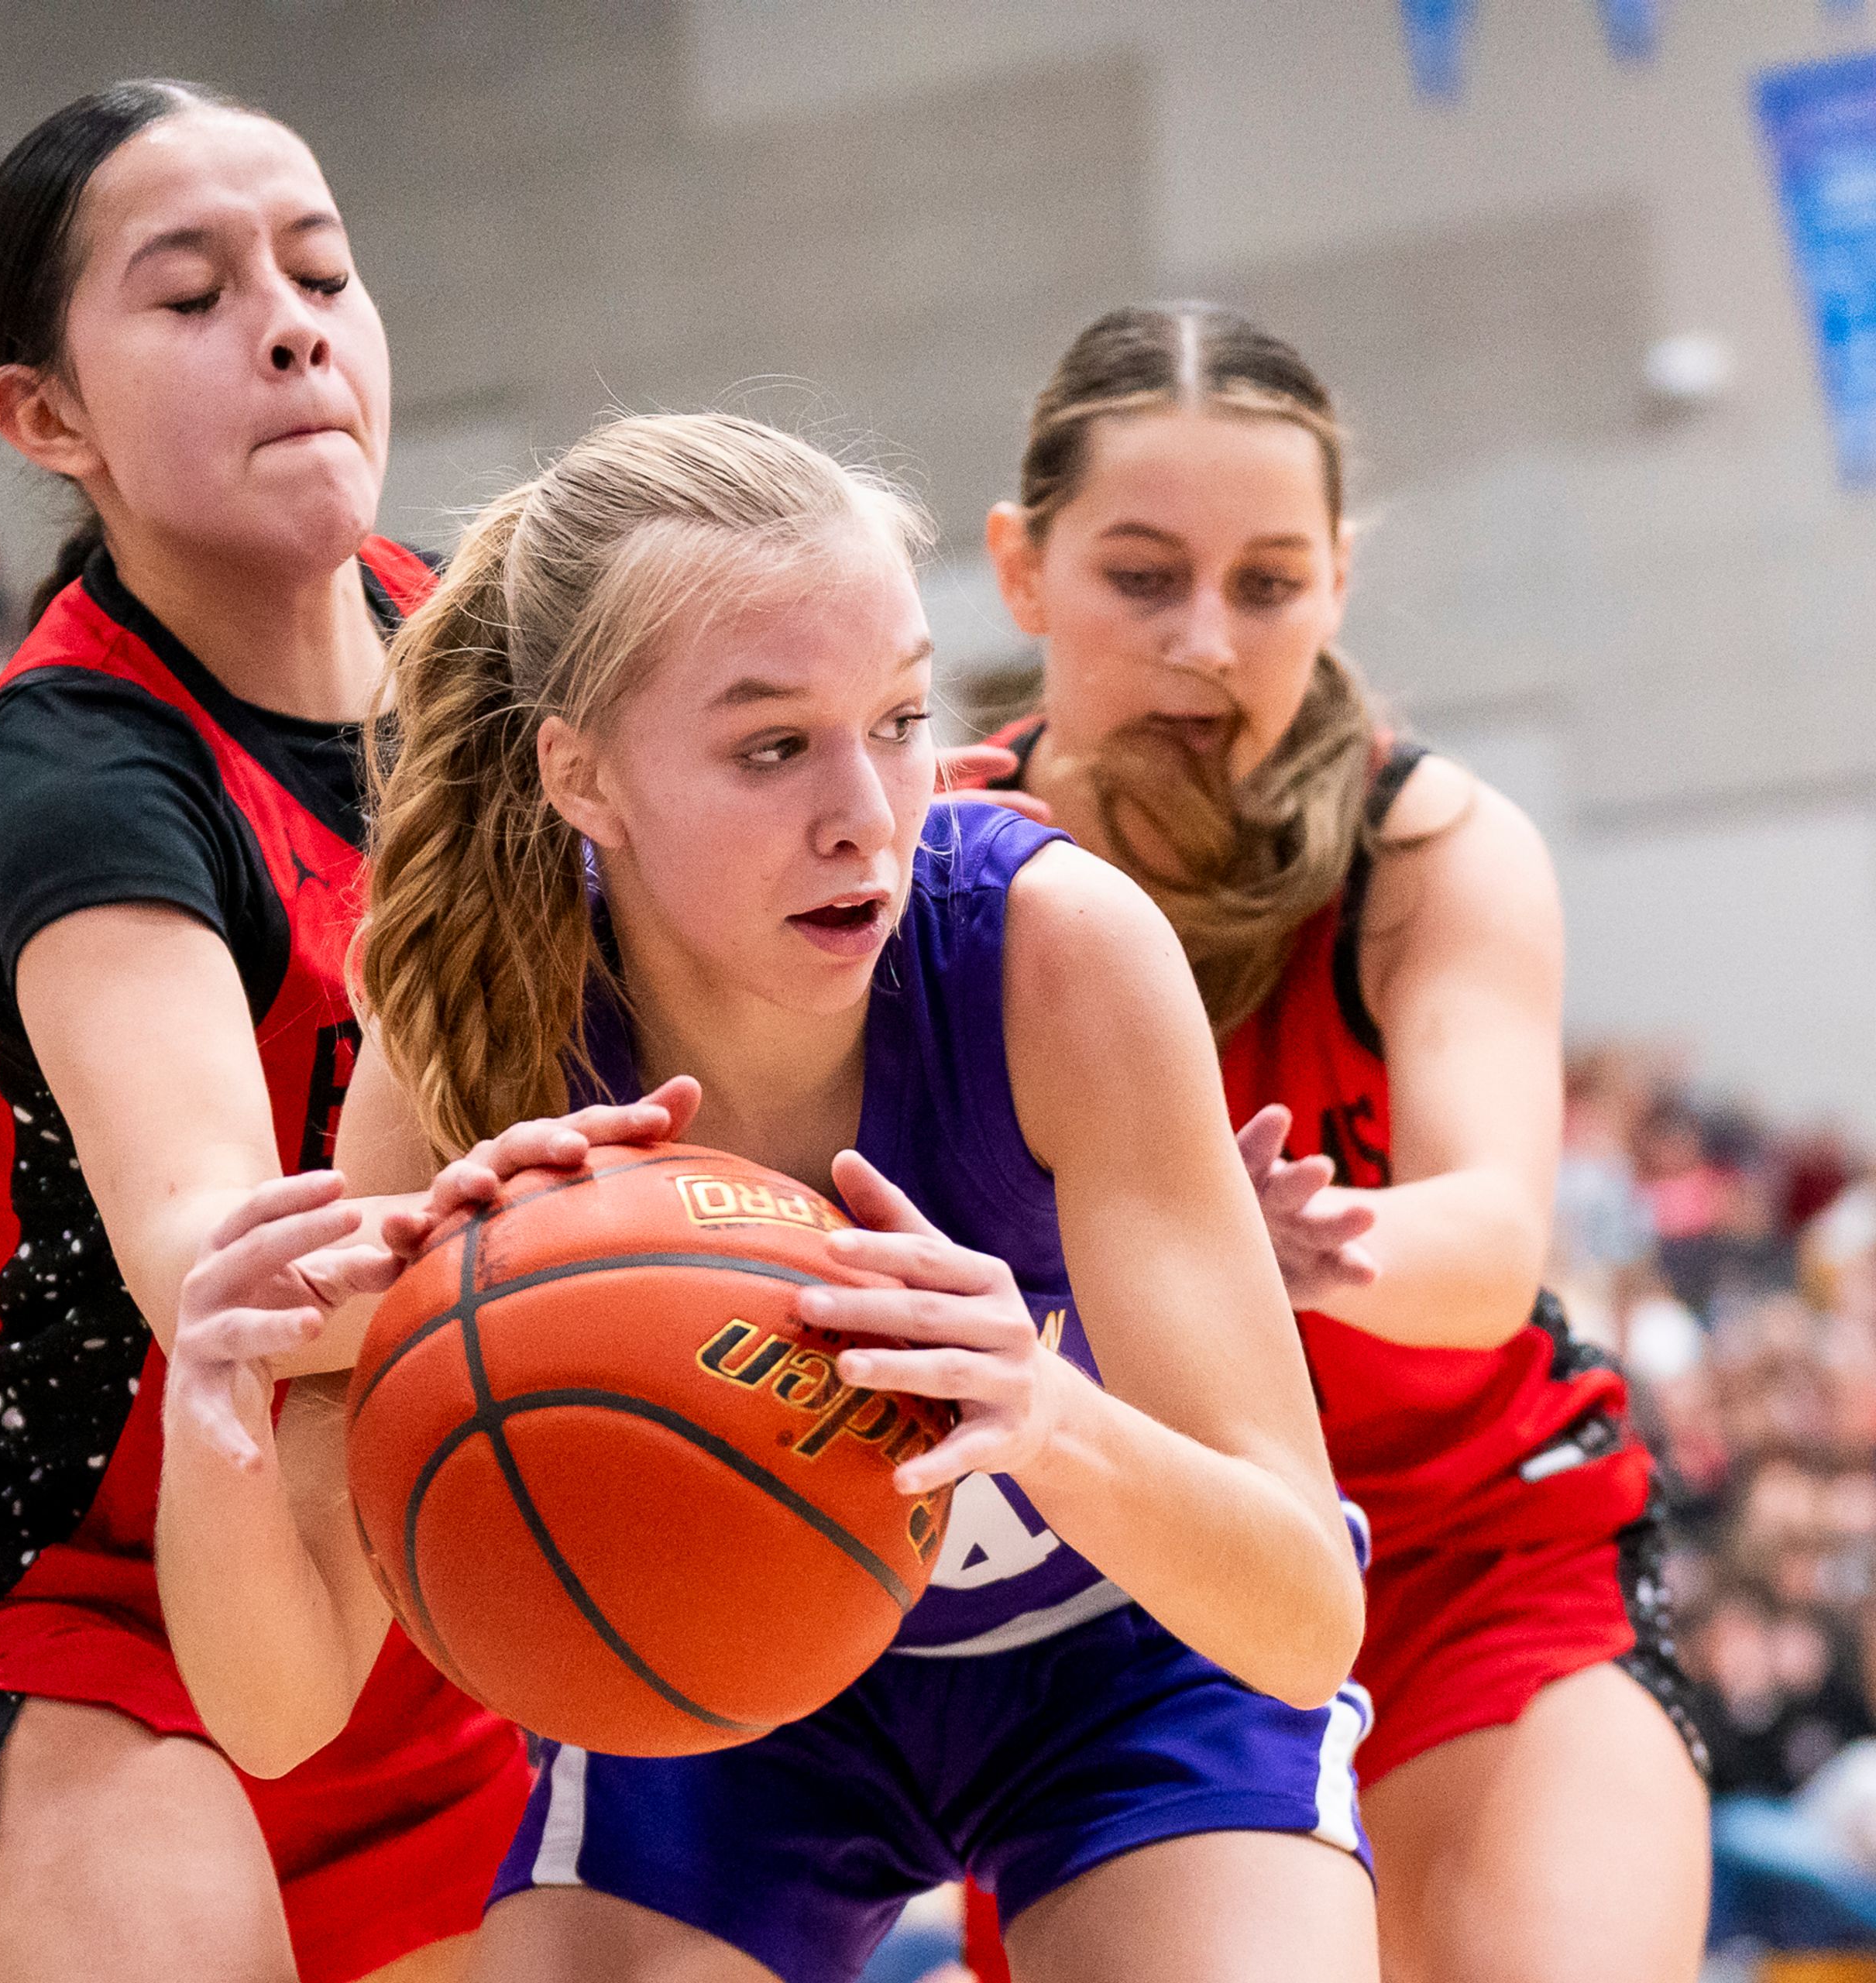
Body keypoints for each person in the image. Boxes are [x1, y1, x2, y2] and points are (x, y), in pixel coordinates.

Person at [155, 411, 1376, 1983]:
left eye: (899, 717)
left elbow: (1300, 1610)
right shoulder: (482, 1021)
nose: (865, 805)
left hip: (1129, 1662)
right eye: (772, 744)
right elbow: (277, 1709)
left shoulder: (1059, 952)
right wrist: (222, 1383)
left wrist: (1046, 1409)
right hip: (719, 1677)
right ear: (581, 775)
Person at [0, 79, 542, 1983]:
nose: (289, 321)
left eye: (321, 270)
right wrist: (538, 1123)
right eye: (190, 295)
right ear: (48, 418)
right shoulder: (72, 761)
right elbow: (228, 1270)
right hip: (44, 1601)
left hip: (398, 1584)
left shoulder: (494, 656)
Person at [965, 302, 1710, 1981]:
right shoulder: (934, 864)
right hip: (1135, 1610)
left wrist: (1303, 1248)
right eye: (1142, 577)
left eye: (1270, 581)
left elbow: (1489, 1243)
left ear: (1339, 581)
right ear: (1023, 571)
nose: (1209, 641)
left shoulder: (1428, 848)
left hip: (1470, 1561)